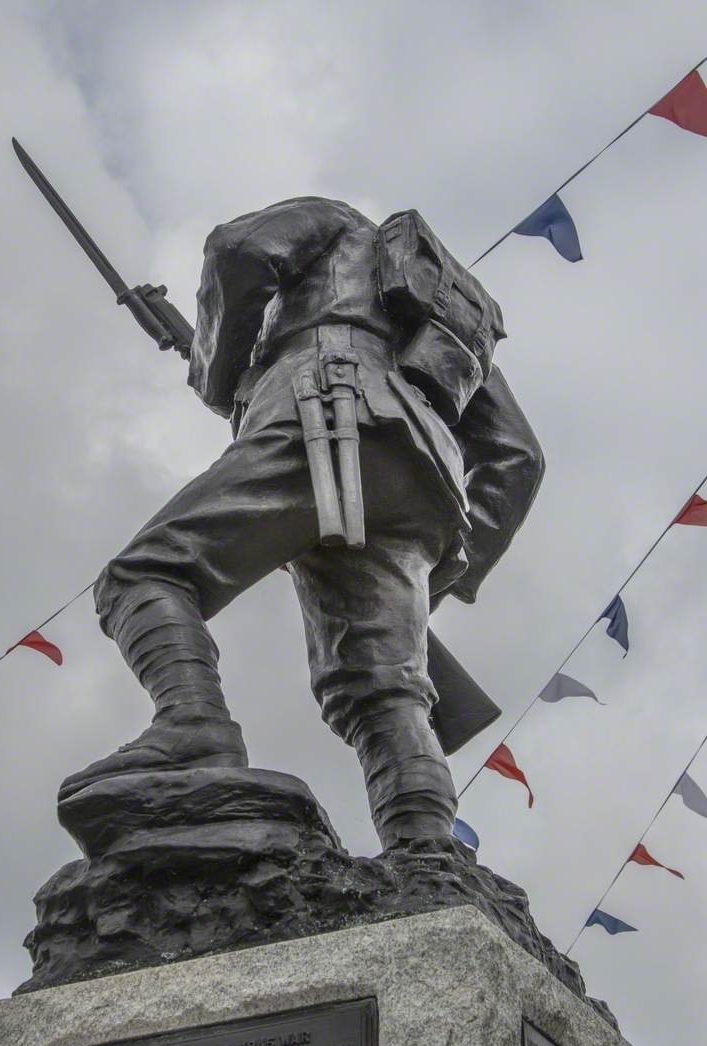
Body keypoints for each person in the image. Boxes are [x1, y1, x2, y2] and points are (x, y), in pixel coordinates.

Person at [60, 197, 544, 852]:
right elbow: (518, 457)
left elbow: (239, 248)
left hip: (327, 410)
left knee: (145, 576)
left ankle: (193, 726)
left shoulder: (336, 224)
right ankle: (426, 846)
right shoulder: (447, 322)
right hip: (419, 479)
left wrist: (219, 373)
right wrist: (445, 568)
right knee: (382, 692)